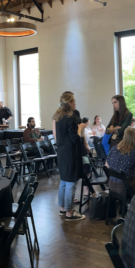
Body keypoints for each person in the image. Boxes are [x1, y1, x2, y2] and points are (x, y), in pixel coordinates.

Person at [55, 91, 87, 220]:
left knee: (63, 181)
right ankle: (69, 212)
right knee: (71, 183)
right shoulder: (71, 118)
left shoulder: (58, 116)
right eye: (74, 101)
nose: (75, 103)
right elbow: (75, 139)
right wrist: (80, 128)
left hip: (62, 153)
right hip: (70, 154)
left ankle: (62, 208)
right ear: (69, 103)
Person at [106, 127, 135, 202]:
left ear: (124, 137)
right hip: (125, 187)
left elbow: (107, 164)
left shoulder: (114, 149)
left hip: (111, 185)